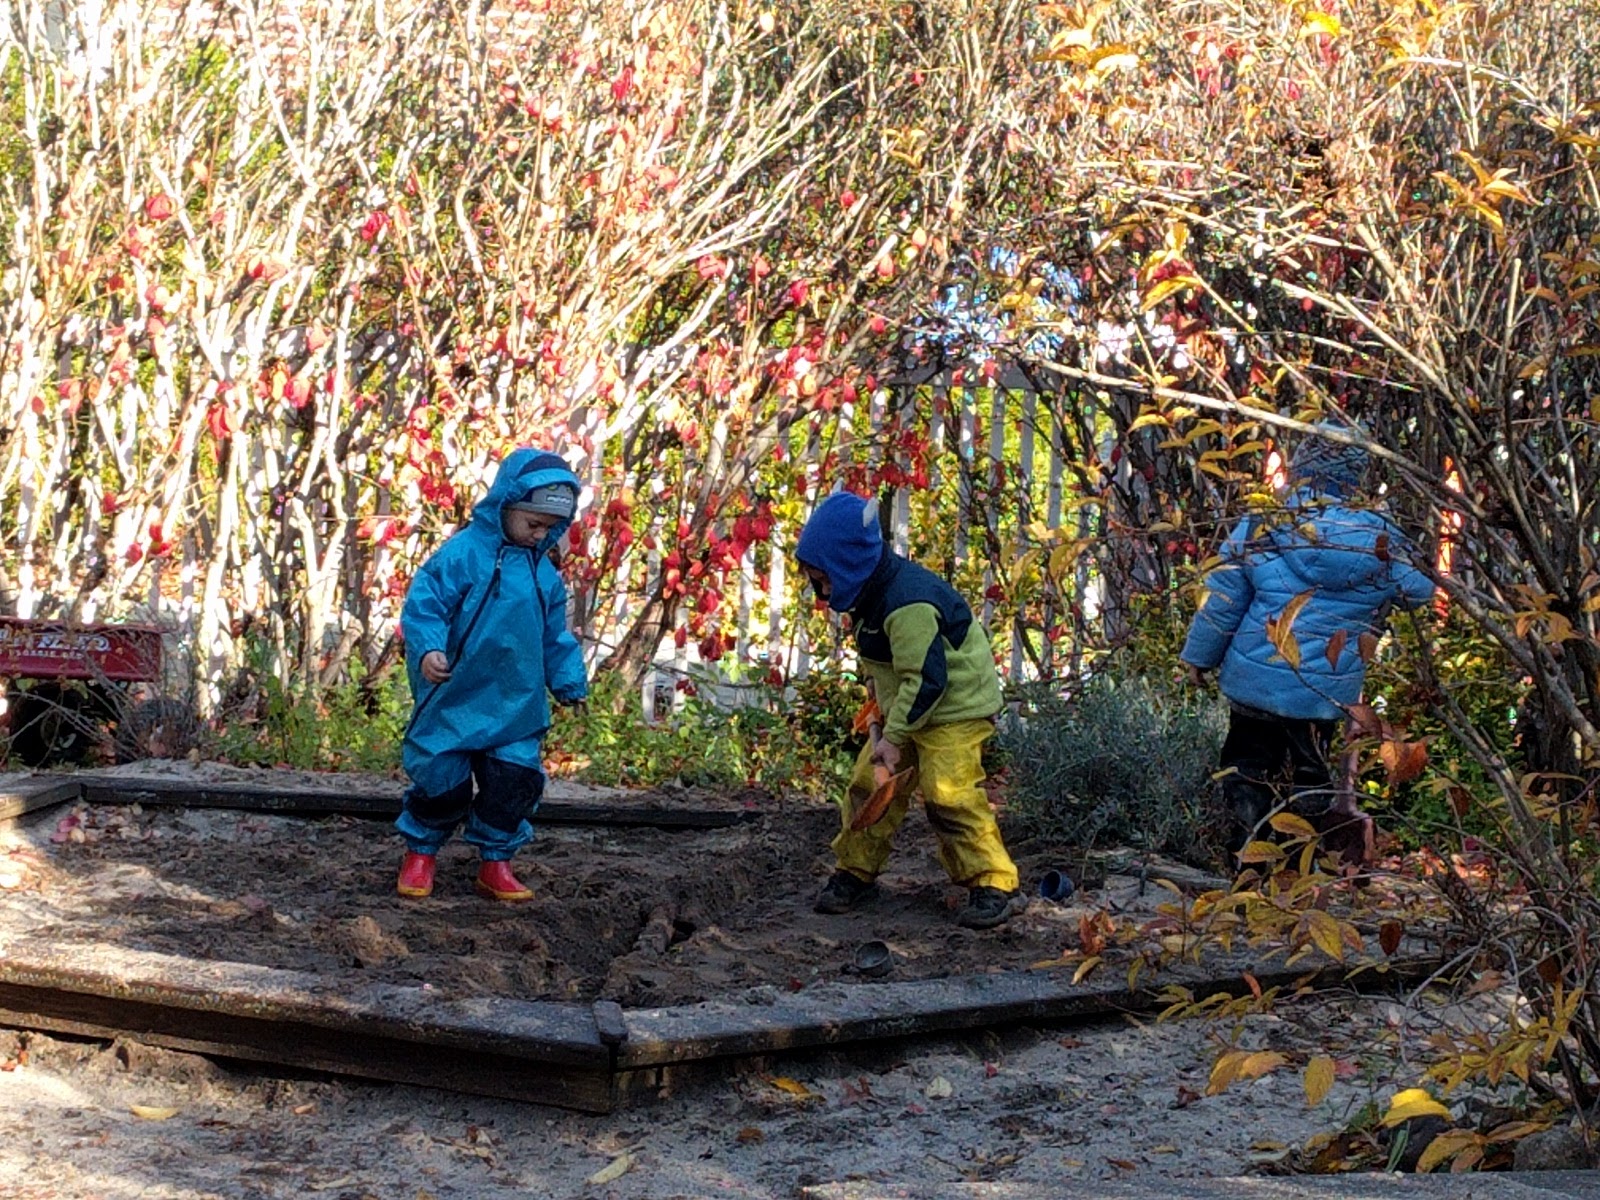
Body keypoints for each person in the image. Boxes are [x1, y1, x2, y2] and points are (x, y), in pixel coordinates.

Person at [1180, 426, 1433, 862]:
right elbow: (1421, 590)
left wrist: (1198, 658)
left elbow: (1223, 597)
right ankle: (1300, 862)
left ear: (1302, 466)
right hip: (1324, 689)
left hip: (1254, 678)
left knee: (1246, 766)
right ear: (1359, 474)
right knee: (1310, 772)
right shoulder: (1381, 537)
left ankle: (1246, 855)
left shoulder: (1267, 519)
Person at [795, 490, 1023, 929]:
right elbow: (885, 665)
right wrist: (878, 711)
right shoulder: (869, 596)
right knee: (869, 783)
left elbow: (928, 680)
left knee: (948, 793)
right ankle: (855, 871)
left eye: (822, 581)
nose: (819, 593)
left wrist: (895, 738)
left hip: (955, 706)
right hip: (910, 704)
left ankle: (993, 883)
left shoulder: (908, 604)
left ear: (847, 566)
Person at [394, 448, 588, 901]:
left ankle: (496, 861)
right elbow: (425, 606)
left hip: (516, 704)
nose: (539, 534)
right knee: (442, 782)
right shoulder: (461, 555)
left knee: (514, 783)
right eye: (532, 523)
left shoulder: (544, 576)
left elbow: (553, 637)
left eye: (549, 527)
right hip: (453, 697)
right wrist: (427, 650)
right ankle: (421, 852)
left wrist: (568, 680)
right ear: (505, 505)